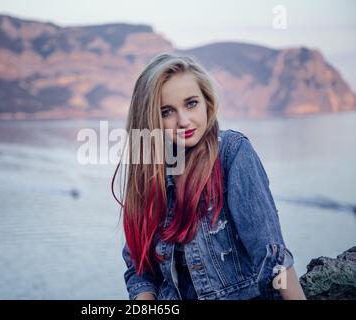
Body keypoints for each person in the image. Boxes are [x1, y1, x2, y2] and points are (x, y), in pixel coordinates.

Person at [111, 53, 306, 300]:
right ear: (150, 119)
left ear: (207, 102)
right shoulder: (149, 175)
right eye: (167, 111)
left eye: (191, 103)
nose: (183, 121)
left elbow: (271, 255)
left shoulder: (232, 153)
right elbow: (141, 271)